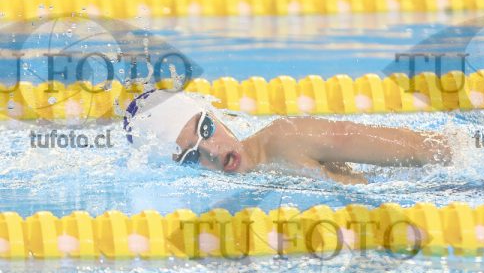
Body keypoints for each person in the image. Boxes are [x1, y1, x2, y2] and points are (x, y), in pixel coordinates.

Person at [124, 89, 451, 184]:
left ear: (216, 115)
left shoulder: (287, 137)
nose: (213, 152)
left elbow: (424, 149)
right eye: (191, 156)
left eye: (205, 129)